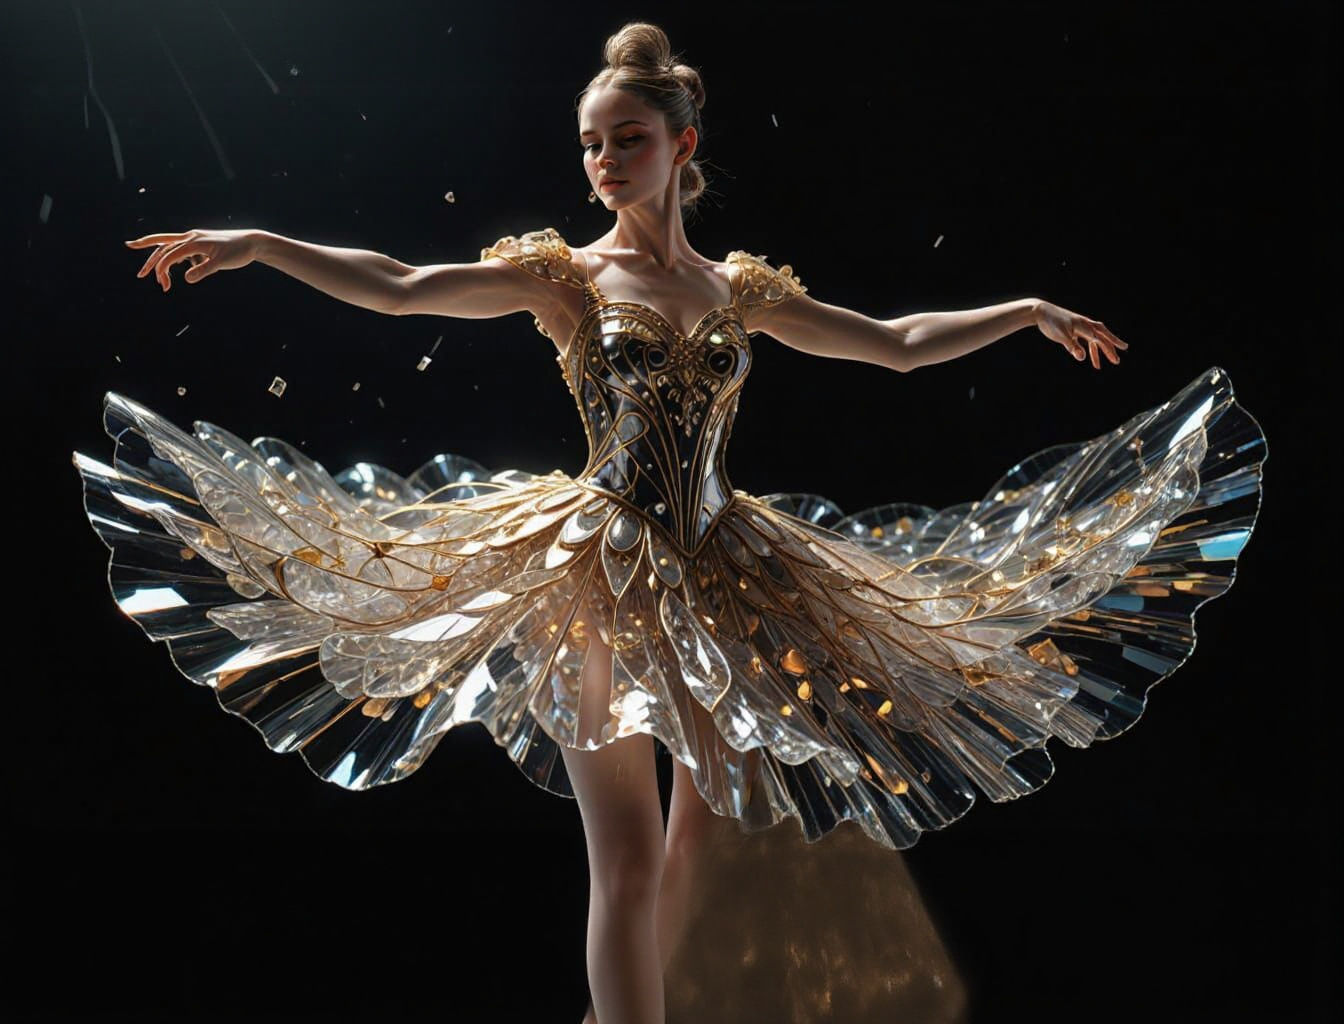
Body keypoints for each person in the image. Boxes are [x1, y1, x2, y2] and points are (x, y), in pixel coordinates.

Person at [81, 21, 1266, 1024]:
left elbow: (895, 344)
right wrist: (260, 243)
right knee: (631, 857)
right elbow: (399, 284)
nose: (603, 161)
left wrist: (1023, 310)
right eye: (591, 143)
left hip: (726, 570)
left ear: (683, 145)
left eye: (627, 140)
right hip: (598, 566)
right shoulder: (567, 278)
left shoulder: (737, 290)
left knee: (710, 839)